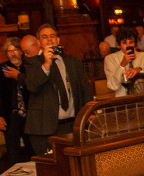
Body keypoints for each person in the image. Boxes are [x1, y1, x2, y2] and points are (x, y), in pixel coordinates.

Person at [23, 24, 92, 156]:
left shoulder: (73, 62)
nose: (49, 39)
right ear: (38, 43)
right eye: (44, 37)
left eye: (52, 36)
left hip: (71, 125)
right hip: (44, 129)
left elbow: (84, 90)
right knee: (51, 171)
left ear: (58, 40)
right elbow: (32, 86)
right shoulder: (32, 62)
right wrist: (47, 64)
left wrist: (89, 112)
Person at [0, 38, 30, 164]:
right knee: (13, 153)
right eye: (9, 51)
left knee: (32, 150)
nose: (13, 54)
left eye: (15, 50)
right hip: (11, 116)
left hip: (30, 115)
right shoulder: (0, 69)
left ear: (21, 51)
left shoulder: (29, 66)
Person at [104, 27, 144, 97]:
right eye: (124, 43)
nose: (128, 45)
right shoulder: (110, 59)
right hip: (122, 100)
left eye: (131, 42)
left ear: (135, 43)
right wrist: (122, 65)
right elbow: (113, 86)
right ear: (119, 45)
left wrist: (140, 70)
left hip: (143, 97)